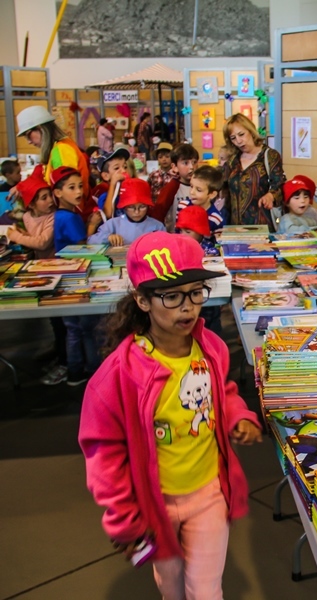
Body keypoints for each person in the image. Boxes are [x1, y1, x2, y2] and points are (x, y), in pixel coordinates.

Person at [78, 232, 262, 599]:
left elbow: (219, 390)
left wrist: (237, 415)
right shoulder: (120, 374)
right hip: (155, 502)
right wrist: (123, 520)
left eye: (195, 293)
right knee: (172, 585)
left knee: (206, 588)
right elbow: (104, 453)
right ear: (142, 300)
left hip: (209, 491)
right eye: (172, 296)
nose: (188, 308)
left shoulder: (208, 346)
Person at [7, 173, 67, 385]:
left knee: (63, 323)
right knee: (53, 319)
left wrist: (17, 237)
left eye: (49, 195)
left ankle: (65, 361)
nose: (50, 200)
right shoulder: (27, 217)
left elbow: (42, 243)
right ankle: (59, 353)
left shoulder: (54, 217)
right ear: (31, 203)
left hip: (58, 271)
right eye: (43, 197)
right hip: (40, 272)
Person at [51, 166, 103, 386]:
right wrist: (92, 225)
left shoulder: (62, 215)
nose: (79, 191)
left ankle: (74, 371)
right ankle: (94, 371)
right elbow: (83, 247)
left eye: (80, 186)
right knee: (88, 327)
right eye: (71, 187)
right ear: (58, 192)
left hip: (64, 277)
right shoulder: (70, 218)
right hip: (77, 276)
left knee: (73, 328)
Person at [14, 105, 96, 223]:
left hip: (71, 217)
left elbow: (68, 187)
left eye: (28, 135)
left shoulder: (61, 150)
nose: (29, 141)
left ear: (41, 128)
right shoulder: (59, 148)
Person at [222, 113, 285, 228]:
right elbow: (223, 189)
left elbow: (280, 185)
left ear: (250, 131)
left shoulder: (269, 155)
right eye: (233, 138)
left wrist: (271, 196)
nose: (239, 141)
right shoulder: (232, 161)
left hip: (262, 227)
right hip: (235, 228)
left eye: (241, 134)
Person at [88, 178, 165, 246]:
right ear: (124, 207)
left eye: (142, 207)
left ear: (148, 206)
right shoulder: (113, 224)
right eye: (131, 207)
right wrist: (107, 238)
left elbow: (167, 245)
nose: (137, 212)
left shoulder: (157, 227)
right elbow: (91, 241)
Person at [151, 143, 198, 231]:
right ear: (174, 167)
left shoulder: (201, 185)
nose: (191, 167)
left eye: (194, 162)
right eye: (185, 163)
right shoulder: (172, 188)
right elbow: (158, 213)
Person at [176, 165, 225, 234]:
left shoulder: (215, 219)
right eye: (191, 186)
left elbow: (216, 243)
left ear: (212, 194)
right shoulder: (182, 206)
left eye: (198, 190)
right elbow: (177, 232)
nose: (192, 192)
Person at [95, 147, 131, 220]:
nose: (123, 170)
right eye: (117, 168)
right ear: (106, 176)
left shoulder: (129, 193)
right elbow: (108, 214)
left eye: (125, 167)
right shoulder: (104, 197)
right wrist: (113, 184)